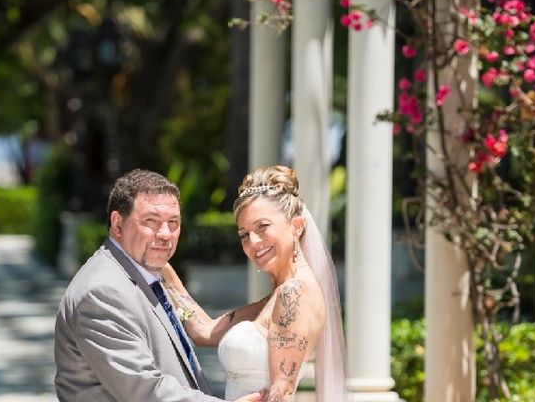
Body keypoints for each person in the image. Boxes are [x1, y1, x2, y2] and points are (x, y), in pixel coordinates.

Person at [54, 168, 264, 402]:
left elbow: (204, 329)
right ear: (117, 224)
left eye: (173, 222)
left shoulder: (147, 271)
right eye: (151, 221)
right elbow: (143, 389)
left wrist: (280, 298)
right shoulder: (103, 292)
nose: (165, 234)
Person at [161, 165, 348, 402]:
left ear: (296, 227)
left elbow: (281, 392)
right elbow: (204, 331)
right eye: (244, 234)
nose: (254, 242)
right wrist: (161, 268)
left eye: (263, 227)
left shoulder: (294, 294)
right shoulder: (278, 295)